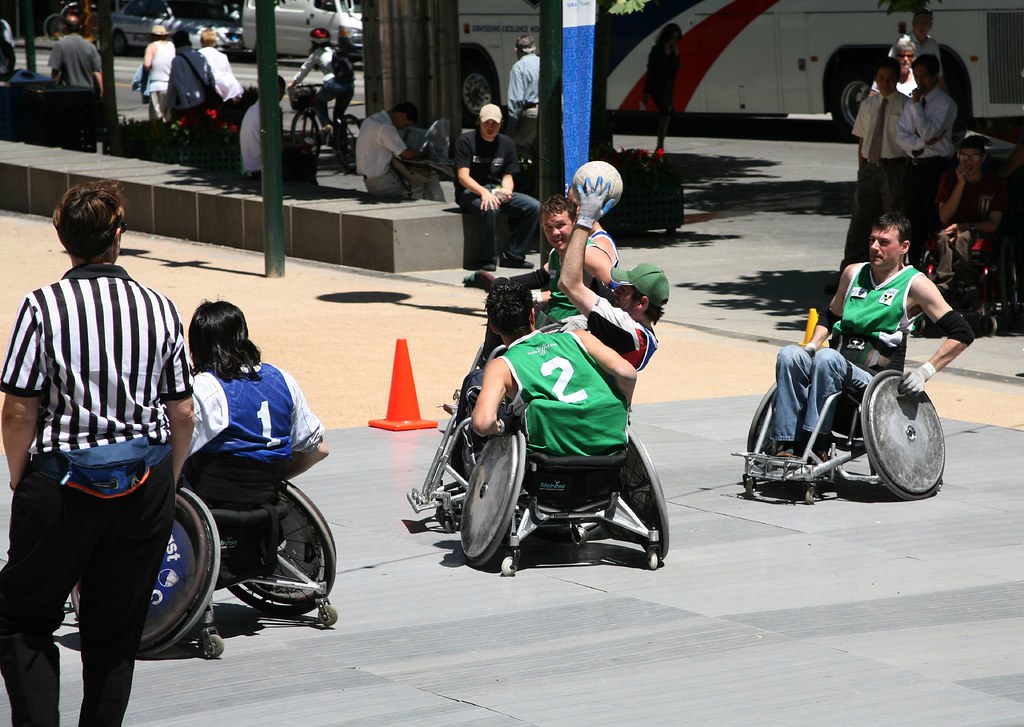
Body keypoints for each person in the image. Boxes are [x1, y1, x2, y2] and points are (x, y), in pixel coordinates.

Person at [0, 180, 194, 725]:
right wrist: (169, 480)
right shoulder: (159, 308)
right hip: (143, 483)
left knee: (24, 618)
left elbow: (18, 410)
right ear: (117, 236)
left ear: (63, 239)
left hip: (61, 482)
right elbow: (182, 412)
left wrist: (21, 479)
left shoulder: (42, 307)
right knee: (114, 633)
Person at [771, 212, 973, 457]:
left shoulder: (915, 285)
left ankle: (818, 446)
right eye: (872, 240)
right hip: (835, 364)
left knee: (826, 359)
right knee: (789, 354)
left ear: (904, 247)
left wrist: (925, 371)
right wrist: (812, 346)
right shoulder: (853, 273)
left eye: (884, 242)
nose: (875, 247)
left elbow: (962, 333)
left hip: (874, 379)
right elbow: (829, 315)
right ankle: (788, 443)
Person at [471, 278, 636, 458]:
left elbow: (483, 424)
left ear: (494, 327)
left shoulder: (501, 365)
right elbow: (627, 373)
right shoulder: (579, 337)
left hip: (554, 447)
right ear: (532, 315)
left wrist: (502, 426)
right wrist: (624, 405)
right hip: (607, 437)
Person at [185, 300, 328, 497]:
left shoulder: (206, 387)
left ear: (197, 346)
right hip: (267, 496)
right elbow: (319, 450)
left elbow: (176, 449)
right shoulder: (282, 379)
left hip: (212, 496)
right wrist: (272, 482)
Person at [559, 180, 668, 371]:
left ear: (642, 303)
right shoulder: (645, 336)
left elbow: (568, 283)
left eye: (623, 289)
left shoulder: (624, 328)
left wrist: (584, 221)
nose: (615, 291)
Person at [839, 57, 908, 280]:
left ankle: (893, 274)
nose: (885, 83)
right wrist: (862, 167)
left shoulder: (906, 105)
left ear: (897, 79)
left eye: (890, 79)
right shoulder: (868, 104)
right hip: (870, 167)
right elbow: (862, 138)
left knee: (892, 221)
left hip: (893, 166)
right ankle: (849, 273)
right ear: (875, 79)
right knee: (860, 221)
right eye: (881, 78)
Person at [455, 103, 540, 271]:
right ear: (479, 122)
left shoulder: (507, 143)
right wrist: (484, 193)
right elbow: (463, 176)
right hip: (470, 191)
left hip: (495, 189)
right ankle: (488, 259)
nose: (490, 127)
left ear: (501, 124)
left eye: (494, 123)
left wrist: (506, 191)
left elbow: (508, 175)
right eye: (486, 122)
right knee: (490, 207)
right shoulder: (466, 141)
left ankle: (513, 255)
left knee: (534, 207)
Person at [896, 54, 956, 266]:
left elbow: (929, 131)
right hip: (914, 166)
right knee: (913, 220)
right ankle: (913, 266)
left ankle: (941, 268)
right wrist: (921, 144)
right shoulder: (913, 101)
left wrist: (917, 109)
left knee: (934, 219)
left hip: (935, 167)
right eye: (917, 75)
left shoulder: (944, 103)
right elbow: (901, 135)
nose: (920, 81)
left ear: (934, 76)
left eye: (924, 76)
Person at [931, 135, 1007, 299]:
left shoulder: (995, 184)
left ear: (983, 158)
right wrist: (960, 184)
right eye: (963, 156)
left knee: (963, 237)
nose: (967, 161)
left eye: (973, 156)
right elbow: (944, 217)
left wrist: (967, 225)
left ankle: (965, 282)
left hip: (978, 230)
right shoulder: (949, 178)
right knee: (943, 237)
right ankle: (945, 283)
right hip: (951, 228)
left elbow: (993, 223)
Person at [355, 101, 443, 201]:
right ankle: (436, 208)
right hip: (382, 183)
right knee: (425, 180)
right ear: (402, 115)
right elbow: (406, 154)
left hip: (372, 180)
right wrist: (424, 152)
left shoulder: (371, 120)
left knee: (418, 178)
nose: (402, 128)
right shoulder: (385, 127)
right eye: (405, 125)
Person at [288, 28, 355, 135]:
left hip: (333, 84)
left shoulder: (317, 53)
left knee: (319, 101)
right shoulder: (336, 50)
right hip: (349, 85)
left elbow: (304, 70)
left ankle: (326, 124)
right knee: (338, 115)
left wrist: (293, 84)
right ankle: (341, 143)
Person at [642, 23, 681, 152]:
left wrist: (676, 56)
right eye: (673, 37)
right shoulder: (656, 50)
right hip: (656, 87)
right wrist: (646, 91)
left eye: (676, 38)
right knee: (665, 113)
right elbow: (651, 70)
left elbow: (675, 70)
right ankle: (660, 144)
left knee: (666, 116)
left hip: (668, 87)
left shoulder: (674, 52)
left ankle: (660, 143)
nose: (674, 40)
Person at [165, 29, 216, 124]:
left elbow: (179, 85)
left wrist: (185, 108)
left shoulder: (177, 60)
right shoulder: (200, 56)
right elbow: (210, 77)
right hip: (202, 102)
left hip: (187, 105)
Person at [240, 75, 286, 177]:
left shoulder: (253, 108)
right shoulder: (271, 111)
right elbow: (277, 146)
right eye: (280, 91)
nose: (281, 96)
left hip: (249, 167)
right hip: (262, 169)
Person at [48, 13, 102, 98]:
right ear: (80, 27)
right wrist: (102, 92)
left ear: (64, 27)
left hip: (68, 92)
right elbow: (97, 72)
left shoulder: (60, 45)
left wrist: (51, 90)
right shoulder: (90, 46)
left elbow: (55, 72)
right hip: (87, 93)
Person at [506, 34, 539, 158]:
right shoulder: (543, 62)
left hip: (530, 114)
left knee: (517, 149)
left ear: (516, 51)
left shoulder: (518, 67)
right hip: (548, 114)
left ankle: (526, 176)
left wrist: (511, 126)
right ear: (534, 48)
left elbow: (516, 100)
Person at [889, 9, 943, 84]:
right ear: (913, 23)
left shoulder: (933, 44)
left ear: (931, 26)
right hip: (905, 89)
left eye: (926, 23)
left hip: (927, 90)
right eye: (920, 22)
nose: (922, 26)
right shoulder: (902, 41)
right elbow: (888, 68)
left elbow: (939, 75)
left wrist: (945, 95)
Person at [198, 27, 243, 104]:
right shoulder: (222, 56)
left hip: (207, 93)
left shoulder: (198, 54)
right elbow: (229, 74)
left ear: (201, 41)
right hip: (226, 92)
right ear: (215, 41)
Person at [143, 25, 175, 120]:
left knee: (156, 117)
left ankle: (157, 134)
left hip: (156, 86)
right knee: (169, 116)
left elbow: (147, 65)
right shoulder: (172, 45)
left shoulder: (151, 47)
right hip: (170, 86)